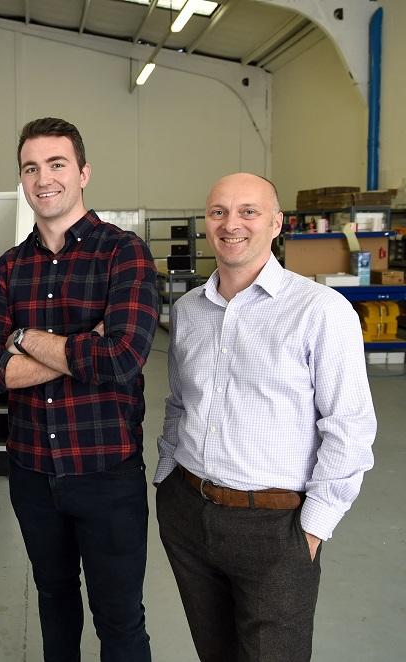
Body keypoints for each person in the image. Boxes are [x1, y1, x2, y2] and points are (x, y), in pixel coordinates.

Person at [154, 172, 377, 662]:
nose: (232, 224)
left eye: (248, 212)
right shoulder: (189, 309)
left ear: (277, 223)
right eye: (218, 212)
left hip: (276, 528)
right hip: (189, 512)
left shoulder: (321, 311)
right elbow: (179, 402)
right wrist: (167, 477)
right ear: (206, 224)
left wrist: (313, 528)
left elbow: (349, 429)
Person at [0, 117, 157, 661]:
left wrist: (25, 339)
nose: (43, 178)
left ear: (83, 172)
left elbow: (121, 359)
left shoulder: (124, 254)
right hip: (32, 473)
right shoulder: (7, 270)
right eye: (31, 168)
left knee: (120, 621)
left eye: (56, 164)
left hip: (106, 473)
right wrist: (82, 343)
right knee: (54, 606)